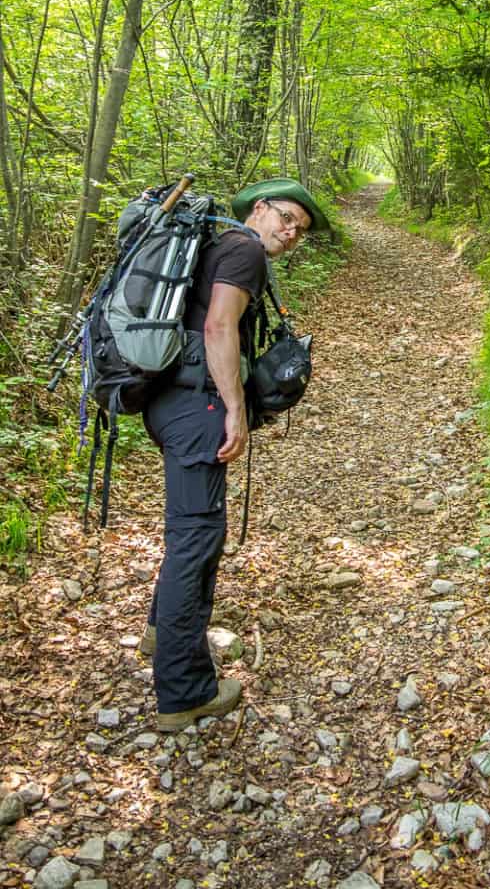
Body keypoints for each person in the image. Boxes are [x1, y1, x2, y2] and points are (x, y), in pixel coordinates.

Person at [139, 178, 329, 732]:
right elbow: (219, 325)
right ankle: (184, 692)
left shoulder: (217, 242)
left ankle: (163, 632)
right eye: (287, 219)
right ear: (260, 209)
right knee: (196, 537)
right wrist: (234, 409)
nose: (291, 233)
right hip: (198, 408)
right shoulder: (242, 247)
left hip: (170, 401)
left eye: (300, 230)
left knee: (193, 533)